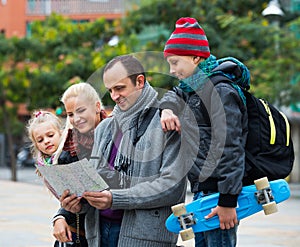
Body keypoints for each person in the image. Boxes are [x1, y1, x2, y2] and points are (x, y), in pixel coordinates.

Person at [59, 54, 190, 247]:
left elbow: (171, 187)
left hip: (144, 237)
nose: (114, 96)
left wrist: (115, 199)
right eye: (110, 90)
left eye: (120, 88)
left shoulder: (167, 121)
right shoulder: (104, 128)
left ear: (139, 81)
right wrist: (77, 205)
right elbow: (95, 180)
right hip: (99, 233)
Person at [159, 17, 249, 247]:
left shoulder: (219, 91)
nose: (172, 70)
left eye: (175, 62)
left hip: (219, 195)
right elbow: (172, 94)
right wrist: (167, 109)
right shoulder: (191, 90)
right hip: (202, 193)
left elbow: (231, 148)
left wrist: (228, 201)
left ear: (196, 58)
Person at [51, 82, 108, 247]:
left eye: (81, 110)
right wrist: (62, 214)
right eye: (70, 114)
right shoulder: (68, 149)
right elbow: (71, 196)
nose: (76, 119)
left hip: (117, 229)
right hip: (83, 234)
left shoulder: (117, 136)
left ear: (97, 107)